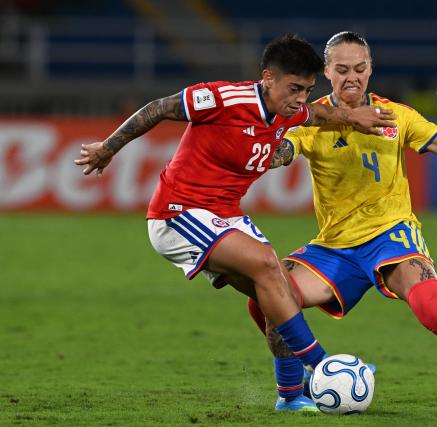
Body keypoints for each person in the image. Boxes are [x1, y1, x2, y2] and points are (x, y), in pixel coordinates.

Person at [73, 34, 396, 396]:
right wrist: (108, 147)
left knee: (280, 292)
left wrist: (354, 116)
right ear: (267, 78)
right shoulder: (225, 98)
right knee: (267, 264)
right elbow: (159, 107)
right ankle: (323, 366)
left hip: (223, 216)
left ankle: (291, 397)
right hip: (178, 212)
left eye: (306, 89)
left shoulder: (290, 111)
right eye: (293, 88)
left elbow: (321, 113)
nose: (300, 99)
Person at [246, 31, 437, 411]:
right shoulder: (309, 120)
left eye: (360, 69)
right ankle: (292, 396)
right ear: (326, 71)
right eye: (342, 69)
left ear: (370, 69)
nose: (352, 77)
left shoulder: (397, 115)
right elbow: (278, 153)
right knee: (267, 297)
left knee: (433, 309)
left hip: (392, 236)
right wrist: (264, 140)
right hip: (334, 248)